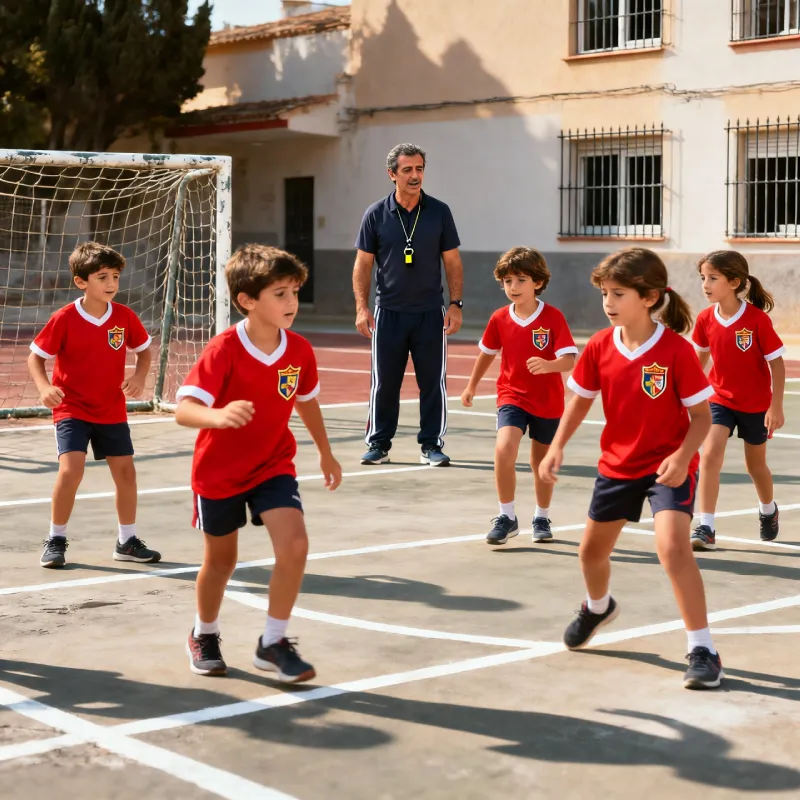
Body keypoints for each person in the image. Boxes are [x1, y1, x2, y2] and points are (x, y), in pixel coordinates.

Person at [539, 248, 724, 690]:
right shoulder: (601, 345)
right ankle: (598, 606)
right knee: (590, 554)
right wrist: (556, 446)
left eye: (618, 293)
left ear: (649, 296)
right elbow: (580, 399)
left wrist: (682, 458)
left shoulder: (677, 351)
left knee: (674, 549)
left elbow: (702, 417)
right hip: (618, 464)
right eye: (605, 293)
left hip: (668, 465)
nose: (608, 302)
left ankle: (703, 649)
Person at [175, 244, 342, 683]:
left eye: (295, 292)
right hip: (219, 471)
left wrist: (325, 451)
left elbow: (306, 402)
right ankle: (204, 633)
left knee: (295, 546)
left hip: (272, 463)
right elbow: (184, 409)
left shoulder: (299, 350)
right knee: (220, 562)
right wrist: (217, 415)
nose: (292, 303)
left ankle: (272, 642)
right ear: (248, 300)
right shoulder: (225, 348)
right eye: (280, 294)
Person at [28, 242, 159, 569]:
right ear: (81, 282)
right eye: (103, 277)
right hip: (72, 406)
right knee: (72, 470)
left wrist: (140, 376)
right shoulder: (65, 318)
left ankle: (126, 541)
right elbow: (36, 358)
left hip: (111, 407)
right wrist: (44, 387)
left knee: (126, 474)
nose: (112, 283)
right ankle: (56, 539)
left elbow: (144, 351)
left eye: (115, 276)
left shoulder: (124, 317)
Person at [353, 143, 464, 467]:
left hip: (431, 312)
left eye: (419, 169)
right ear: (392, 174)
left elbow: (453, 263)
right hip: (388, 313)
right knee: (385, 383)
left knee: (433, 383)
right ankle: (379, 444)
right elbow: (362, 265)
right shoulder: (375, 214)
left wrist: (455, 304)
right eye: (407, 170)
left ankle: (431, 445)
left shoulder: (440, 212)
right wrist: (362, 307)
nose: (415, 176)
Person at [461, 247, 577, 545]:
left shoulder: (552, 317)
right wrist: (471, 385)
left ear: (537, 282)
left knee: (542, 463)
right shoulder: (499, 318)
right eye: (508, 281)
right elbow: (487, 353)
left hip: (548, 402)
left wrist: (549, 365)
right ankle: (507, 516)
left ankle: (541, 516)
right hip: (512, 396)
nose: (513, 287)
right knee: (504, 448)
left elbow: (569, 360)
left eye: (521, 280)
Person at [690, 250, 785, 551]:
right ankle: (706, 526)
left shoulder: (756, 320)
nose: (705, 284)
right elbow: (698, 361)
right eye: (703, 278)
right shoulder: (705, 319)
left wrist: (776, 405)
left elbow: (777, 364)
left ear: (734, 281)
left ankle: (768, 509)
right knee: (709, 455)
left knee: (756, 467)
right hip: (719, 399)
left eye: (712, 278)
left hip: (756, 404)